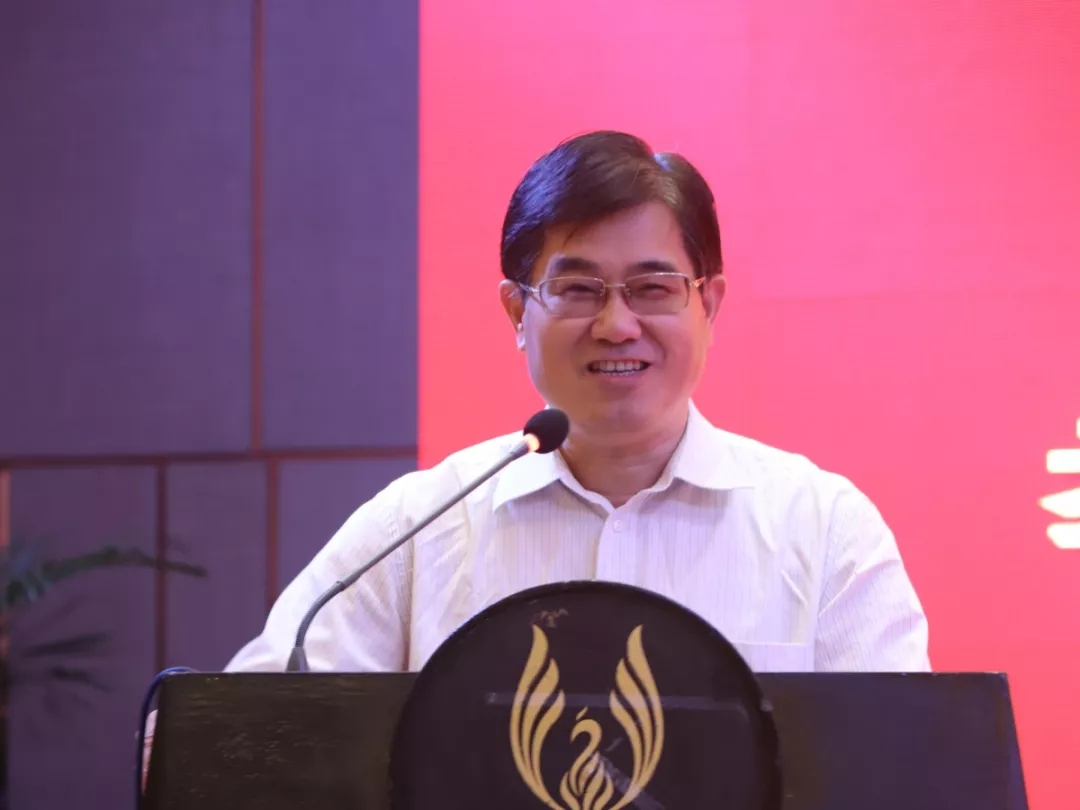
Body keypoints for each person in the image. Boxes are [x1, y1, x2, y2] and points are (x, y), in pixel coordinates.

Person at [222, 129, 930, 676]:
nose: (617, 325)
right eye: (579, 290)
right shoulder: (417, 528)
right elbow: (245, 732)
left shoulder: (822, 528)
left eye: (653, 289)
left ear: (709, 304)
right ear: (516, 312)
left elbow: (901, 766)